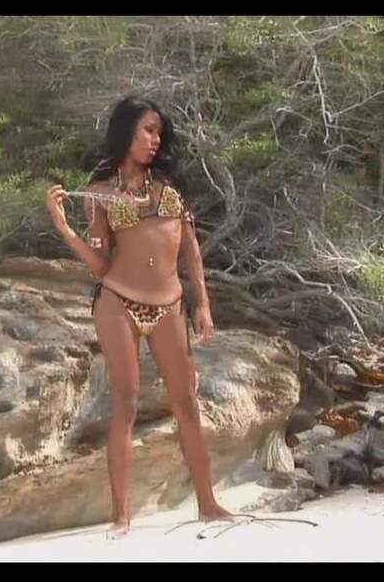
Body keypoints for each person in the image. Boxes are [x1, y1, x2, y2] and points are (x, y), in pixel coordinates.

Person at [45, 96, 232, 536]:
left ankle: (208, 504)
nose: (156, 139)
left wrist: (203, 304)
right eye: (148, 130)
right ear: (126, 131)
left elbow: (191, 251)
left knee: (186, 402)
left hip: (170, 305)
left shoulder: (171, 187)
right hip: (119, 302)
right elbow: (99, 264)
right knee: (126, 403)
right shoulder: (100, 193)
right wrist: (65, 228)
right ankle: (121, 516)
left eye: (159, 132)